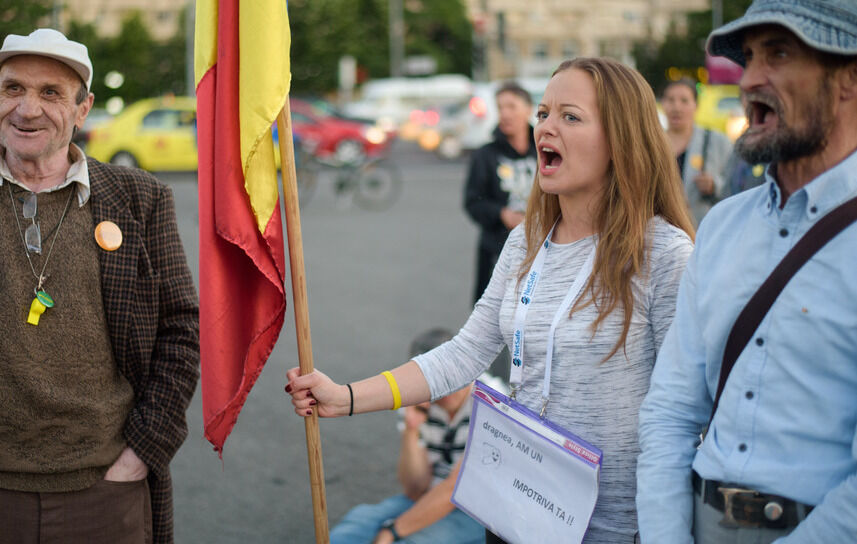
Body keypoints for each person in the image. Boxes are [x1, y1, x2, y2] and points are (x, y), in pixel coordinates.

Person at [287, 57, 695, 543]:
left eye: (571, 116)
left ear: (621, 139)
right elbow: (464, 353)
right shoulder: (527, 241)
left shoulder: (664, 252)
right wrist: (347, 397)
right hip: (515, 515)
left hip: (616, 528)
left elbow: (683, 410)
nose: (546, 127)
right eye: (543, 113)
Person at [637, 1, 857, 542]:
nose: (750, 78)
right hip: (699, 522)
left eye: (779, 54)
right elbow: (668, 410)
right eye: (750, 58)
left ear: (848, 79)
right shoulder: (722, 226)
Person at [0, 29, 199, 544]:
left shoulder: (140, 198)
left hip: (104, 494)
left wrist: (143, 452)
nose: (27, 109)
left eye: (51, 92)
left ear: (83, 109)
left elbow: (180, 330)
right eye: (13, 89)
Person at [329, 328, 484, 544]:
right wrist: (412, 428)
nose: (444, 390)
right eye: (435, 382)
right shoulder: (419, 398)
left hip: (474, 510)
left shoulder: (491, 402)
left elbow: (454, 489)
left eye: (448, 378)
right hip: (425, 497)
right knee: (352, 530)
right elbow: (415, 487)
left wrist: (392, 531)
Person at [464, 81, 537, 304]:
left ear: (529, 109)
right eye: (500, 107)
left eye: (511, 106)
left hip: (540, 248)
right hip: (497, 249)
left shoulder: (546, 150)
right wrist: (502, 214)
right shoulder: (485, 155)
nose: (505, 114)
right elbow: (472, 202)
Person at [660, 78, 733, 225]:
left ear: (696, 105)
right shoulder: (653, 144)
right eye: (670, 100)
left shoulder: (716, 141)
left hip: (703, 231)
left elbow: (736, 185)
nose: (676, 107)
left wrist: (714, 185)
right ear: (662, 104)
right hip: (664, 234)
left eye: (684, 101)